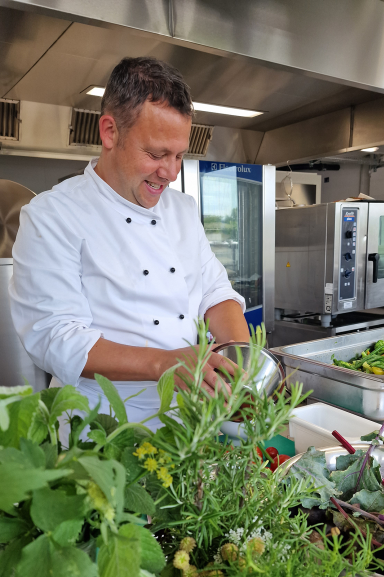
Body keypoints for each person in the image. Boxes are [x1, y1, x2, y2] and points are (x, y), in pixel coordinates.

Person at [9, 57, 250, 440]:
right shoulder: (52, 215)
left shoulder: (183, 210)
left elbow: (215, 292)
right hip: (98, 431)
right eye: (156, 154)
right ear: (109, 131)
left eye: (179, 156)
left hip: (187, 423)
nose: (170, 173)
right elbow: (54, 336)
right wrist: (163, 363)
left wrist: (242, 358)